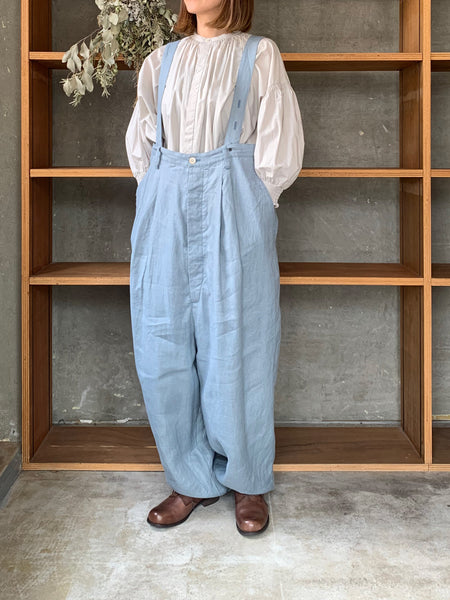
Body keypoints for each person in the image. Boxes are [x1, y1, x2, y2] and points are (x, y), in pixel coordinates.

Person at [125, 0, 304, 536]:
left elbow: (279, 140)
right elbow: (143, 144)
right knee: (162, 341)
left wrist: (255, 196)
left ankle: (247, 479)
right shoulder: (160, 60)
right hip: (165, 203)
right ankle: (190, 479)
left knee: (239, 339)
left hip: (235, 199)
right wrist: (160, 191)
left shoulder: (259, 54)